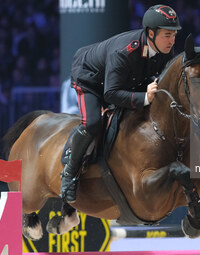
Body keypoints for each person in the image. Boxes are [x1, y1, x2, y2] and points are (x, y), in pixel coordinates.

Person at [61, 5, 181, 203]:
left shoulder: (165, 50)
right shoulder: (124, 52)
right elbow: (110, 94)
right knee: (92, 123)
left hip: (122, 80)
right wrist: (144, 98)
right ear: (151, 33)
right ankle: (69, 174)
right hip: (90, 78)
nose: (172, 40)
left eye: (174, 35)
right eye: (167, 35)